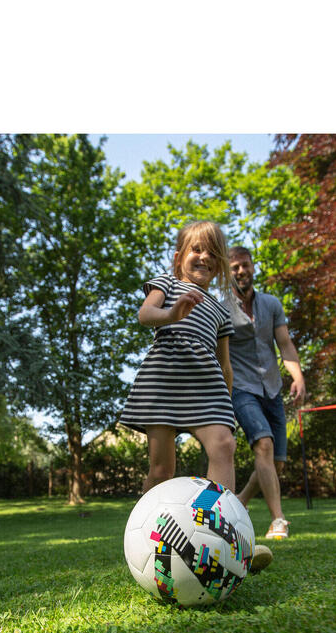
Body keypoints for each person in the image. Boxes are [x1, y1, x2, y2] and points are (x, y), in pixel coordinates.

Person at [119, 221, 272, 572]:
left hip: (207, 386)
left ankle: (230, 538)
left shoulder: (220, 310)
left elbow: (226, 363)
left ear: (219, 265)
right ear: (179, 258)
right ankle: (141, 542)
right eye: (196, 250)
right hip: (165, 382)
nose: (203, 257)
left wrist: (228, 400)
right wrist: (172, 313)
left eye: (212, 253)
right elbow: (146, 314)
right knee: (161, 471)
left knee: (224, 446)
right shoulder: (167, 284)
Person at [226, 246, 306, 540]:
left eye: (245, 265)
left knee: (276, 462)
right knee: (263, 444)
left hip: (272, 388)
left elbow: (284, 344)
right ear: (227, 271)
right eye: (234, 267)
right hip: (241, 389)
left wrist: (298, 377)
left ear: (252, 268)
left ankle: (241, 501)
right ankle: (278, 521)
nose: (241, 271)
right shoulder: (222, 308)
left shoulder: (271, 304)